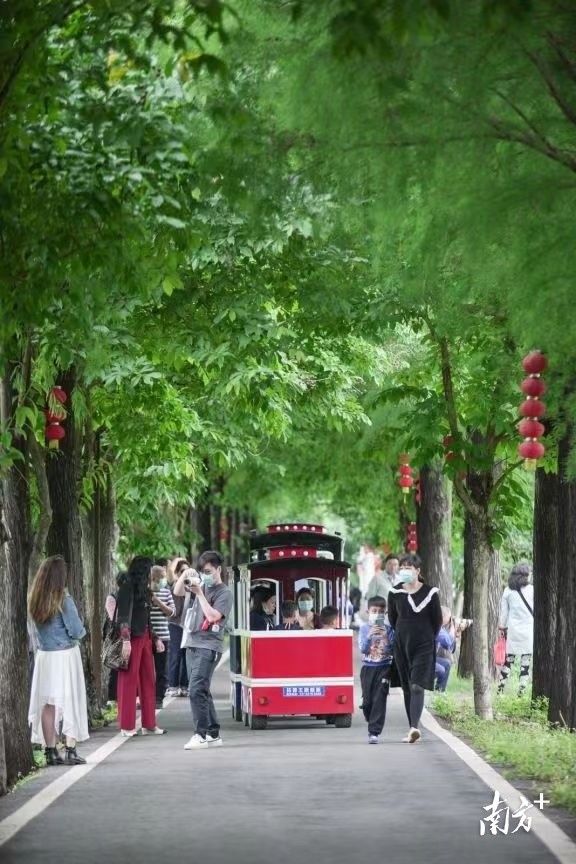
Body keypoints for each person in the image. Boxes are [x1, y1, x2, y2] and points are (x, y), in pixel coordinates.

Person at [27, 556, 89, 765]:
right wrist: (81, 631)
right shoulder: (63, 599)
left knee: (48, 703)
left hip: (44, 656)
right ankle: (70, 749)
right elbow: (76, 631)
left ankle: (50, 751)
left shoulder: (35, 598)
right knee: (70, 699)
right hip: (65, 656)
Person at [173, 550, 233, 750]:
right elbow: (178, 592)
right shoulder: (201, 585)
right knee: (203, 690)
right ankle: (213, 733)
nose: (206, 575)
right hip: (192, 643)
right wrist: (185, 574)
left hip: (209, 646)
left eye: (208, 571)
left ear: (218, 569)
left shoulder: (224, 592)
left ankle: (200, 734)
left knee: (195, 689)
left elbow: (214, 616)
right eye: (202, 571)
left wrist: (199, 593)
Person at [388, 553, 442, 744]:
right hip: (402, 645)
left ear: (418, 571)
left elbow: (437, 622)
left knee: (417, 685)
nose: (404, 571)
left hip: (424, 645)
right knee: (407, 687)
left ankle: (414, 728)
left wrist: (426, 638)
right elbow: (393, 620)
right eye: (402, 568)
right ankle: (413, 727)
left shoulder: (430, 593)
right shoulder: (395, 593)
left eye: (408, 568)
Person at [117, 556, 166, 737]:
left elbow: (147, 619)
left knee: (148, 680)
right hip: (131, 639)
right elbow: (123, 617)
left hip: (144, 637)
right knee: (128, 681)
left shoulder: (144, 590)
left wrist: (155, 638)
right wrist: (126, 640)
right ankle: (127, 725)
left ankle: (149, 724)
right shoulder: (127, 587)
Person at [359, 595, 394, 744]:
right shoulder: (363, 628)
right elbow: (363, 649)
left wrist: (385, 638)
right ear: (368, 611)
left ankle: (374, 732)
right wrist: (369, 636)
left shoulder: (389, 629)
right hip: (368, 668)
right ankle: (369, 717)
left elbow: (392, 650)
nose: (377, 614)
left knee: (379, 699)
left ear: (385, 613)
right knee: (367, 702)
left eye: (381, 611)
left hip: (384, 668)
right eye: (374, 611)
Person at [497, 562, 534, 696]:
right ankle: (521, 690)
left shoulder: (508, 591)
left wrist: (502, 627)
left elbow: (504, 613)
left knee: (509, 660)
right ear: (525, 575)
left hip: (513, 630)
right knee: (526, 661)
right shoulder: (532, 590)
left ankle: (500, 689)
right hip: (528, 630)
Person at [149, 564, 175, 708]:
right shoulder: (145, 592)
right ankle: (146, 696)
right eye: (162, 578)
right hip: (148, 637)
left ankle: (159, 698)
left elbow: (172, 612)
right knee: (147, 669)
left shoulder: (166, 592)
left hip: (164, 636)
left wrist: (158, 602)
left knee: (161, 670)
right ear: (154, 578)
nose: (164, 580)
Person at [165, 557, 190, 697]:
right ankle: (173, 685)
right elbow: (170, 573)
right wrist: (178, 560)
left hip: (188, 626)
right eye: (182, 571)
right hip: (175, 624)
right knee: (175, 655)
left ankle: (184, 685)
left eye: (187, 571)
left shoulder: (194, 587)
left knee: (186, 656)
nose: (185, 574)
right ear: (178, 573)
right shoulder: (174, 585)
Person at [435, 606, 456, 692]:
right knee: (442, 669)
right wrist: (452, 629)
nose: (449, 620)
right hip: (425, 660)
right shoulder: (437, 627)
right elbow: (448, 642)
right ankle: (439, 692)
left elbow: (449, 647)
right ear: (443, 617)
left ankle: (440, 691)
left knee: (447, 663)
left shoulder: (438, 627)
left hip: (429, 657)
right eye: (449, 617)